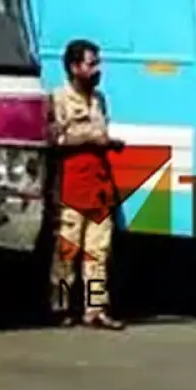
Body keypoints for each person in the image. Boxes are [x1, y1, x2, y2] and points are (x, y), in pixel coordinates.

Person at [50, 39, 123, 330]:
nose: (97, 70)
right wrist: (90, 140)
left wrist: (108, 144)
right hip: (70, 187)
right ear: (74, 67)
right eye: (91, 64)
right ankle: (61, 306)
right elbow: (54, 140)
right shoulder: (58, 99)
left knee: (98, 253)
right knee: (66, 253)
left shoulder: (100, 100)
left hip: (99, 188)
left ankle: (95, 309)